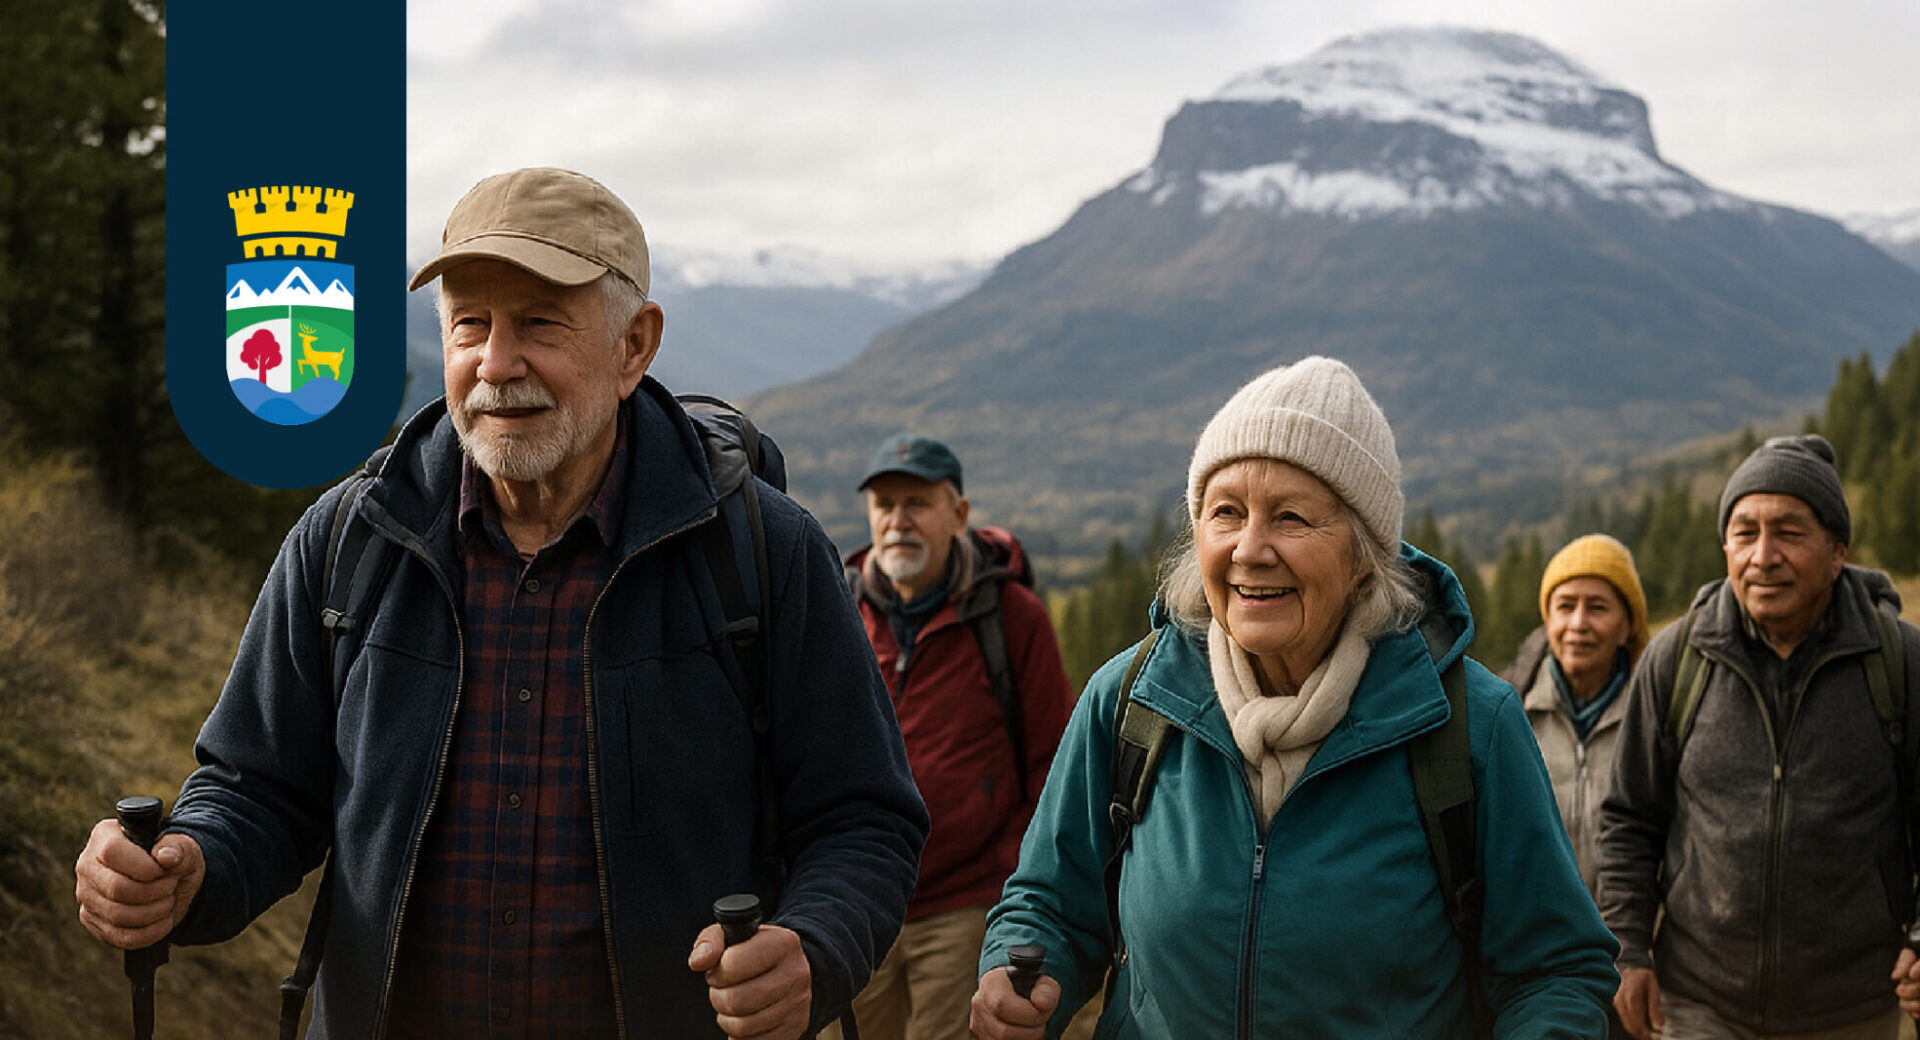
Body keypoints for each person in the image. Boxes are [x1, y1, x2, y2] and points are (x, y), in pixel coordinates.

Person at [72, 167, 929, 1039]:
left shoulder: (762, 552)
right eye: (470, 324)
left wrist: (813, 946)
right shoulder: (351, 541)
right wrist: (188, 865)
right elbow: (256, 789)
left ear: (634, 346)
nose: (495, 363)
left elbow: (863, 820)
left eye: (540, 323)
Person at [969, 356, 1619, 1038]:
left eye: (1290, 518)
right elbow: (1049, 902)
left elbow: (1556, 968)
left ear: (1364, 554)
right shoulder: (1132, 700)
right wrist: (1020, 980)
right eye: (1226, 513)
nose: (1250, 549)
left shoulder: (1468, 723)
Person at [1599, 434, 1920, 1040]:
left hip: (1852, 1008)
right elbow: (1629, 820)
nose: (1763, 556)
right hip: (1701, 1004)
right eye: (1744, 533)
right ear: (1725, 547)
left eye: (1789, 533)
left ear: (1837, 553)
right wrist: (1629, 950)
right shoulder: (1677, 658)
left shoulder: (1899, 662)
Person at [834, 435, 1073, 1040]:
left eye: (917, 503)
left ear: (959, 514)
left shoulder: (1010, 617)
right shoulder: (837, 612)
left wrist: (1008, 871)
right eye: (885, 504)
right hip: (857, 901)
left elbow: (1053, 764)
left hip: (966, 902)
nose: (898, 521)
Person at [1500, 533, 1650, 898]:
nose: (1578, 624)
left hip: (1625, 927)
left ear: (1626, 627)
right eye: (1565, 606)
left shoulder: (1651, 716)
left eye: (1597, 608)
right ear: (1547, 620)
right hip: (1535, 926)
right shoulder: (1508, 713)